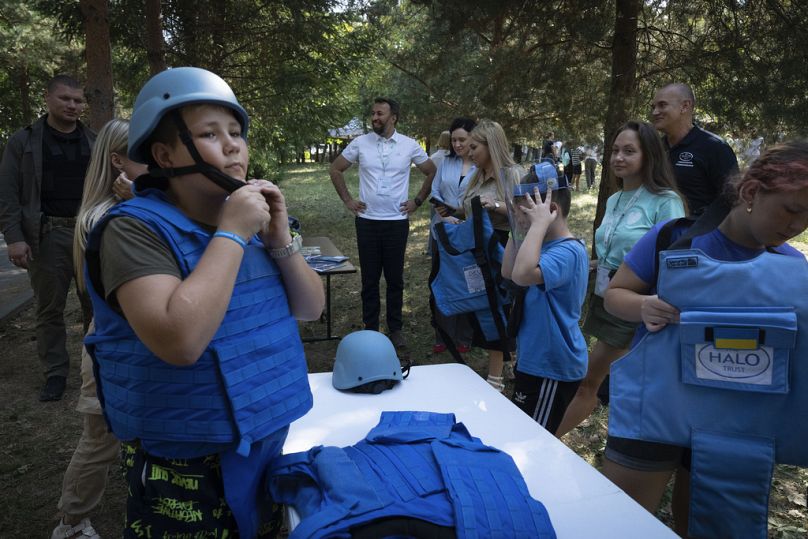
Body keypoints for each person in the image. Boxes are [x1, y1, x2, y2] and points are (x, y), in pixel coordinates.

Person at [82, 67, 324, 537]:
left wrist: (279, 240)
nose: (233, 145)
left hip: (265, 439)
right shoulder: (133, 230)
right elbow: (180, 341)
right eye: (209, 134)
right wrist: (233, 232)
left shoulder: (250, 219)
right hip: (186, 454)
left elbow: (310, 308)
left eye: (236, 132)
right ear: (164, 154)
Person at [601, 140, 808, 535]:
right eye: (792, 209)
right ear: (750, 192)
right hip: (656, 405)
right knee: (619, 525)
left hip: (734, 422)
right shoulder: (673, 237)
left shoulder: (793, 269)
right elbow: (614, 296)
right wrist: (643, 306)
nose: (797, 226)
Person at [556, 121, 685, 438]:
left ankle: (547, 439)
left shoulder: (665, 200)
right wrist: (594, 263)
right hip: (602, 298)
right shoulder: (615, 199)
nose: (618, 157)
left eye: (629, 151)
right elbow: (618, 248)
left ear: (649, 155)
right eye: (614, 150)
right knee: (611, 377)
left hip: (635, 303)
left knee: (589, 379)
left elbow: (674, 260)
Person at [51, 119, 143, 539]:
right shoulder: (104, 215)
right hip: (111, 342)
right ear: (117, 160)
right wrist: (139, 201)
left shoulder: (128, 205)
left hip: (138, 338)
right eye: (144, 150)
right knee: (100, 438)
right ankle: (70, 523)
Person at [0, 74, 95, 401]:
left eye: (78, 100)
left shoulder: (94, 140)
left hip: (89, 234)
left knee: (95, 305)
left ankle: (97, 368)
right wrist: (14, 237)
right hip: (46, 235)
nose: (72, 105)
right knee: (49, 308)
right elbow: (8, 194)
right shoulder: (23, 142)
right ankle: (55, 373)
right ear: (48, 98)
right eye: (65, 98)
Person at [329, 97, 436, 350]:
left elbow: (431, 170)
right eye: (373, 113)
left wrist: (418, 200)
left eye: (380, 114)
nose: (375, 118)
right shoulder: (360, 143)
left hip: (396, 223)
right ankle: (370, 329)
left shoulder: (409, 145)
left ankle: (395, 329)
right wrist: (348, 200)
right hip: (367, 222)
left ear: (393, 117)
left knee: (395, 279)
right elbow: (335, 169)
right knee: (369, 279)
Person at [501, 169, 589, 435]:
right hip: (536, 359)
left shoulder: (567, 252)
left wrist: (537, 225)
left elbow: (522, 273)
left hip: (552, 366)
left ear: (549, 210)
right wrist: (520, 227)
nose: (519, 217)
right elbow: (508, 271)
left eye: (524, 213)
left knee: (533, 438)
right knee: (522, 431)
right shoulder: (544, 246)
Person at [459, 119, 524, 391]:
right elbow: (467, 212)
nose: (468, 151)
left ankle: (494, 378)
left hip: (504, 247)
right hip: (479, 249)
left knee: (496, 309)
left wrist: (495, 205)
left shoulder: (513, 174)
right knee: (485, 307)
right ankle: (511, 360)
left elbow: (524, 217)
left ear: (491, 145)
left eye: (474, 146)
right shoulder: (475, 176)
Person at [651, 82, 738, 216]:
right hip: (659, 232)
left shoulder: (714, 147)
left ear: (685, 106)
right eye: (653, 107)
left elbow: (732, 201)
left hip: (700, 233)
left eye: (662, 105)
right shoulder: (655, 148)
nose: (655, 112)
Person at [429, 117, 476, 354]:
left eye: (462, 139)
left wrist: (462, 217)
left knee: (468, 282)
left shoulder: (482, 165)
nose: (457, 144)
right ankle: (443, 335)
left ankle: (465, 336)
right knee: (443, 281)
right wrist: (446, 216)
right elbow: (435, 191)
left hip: (469, 233)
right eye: (454, 139)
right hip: (444, 231)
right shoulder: (446, 163)